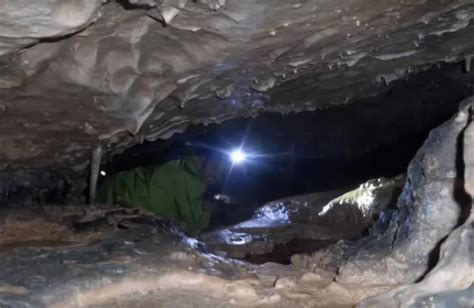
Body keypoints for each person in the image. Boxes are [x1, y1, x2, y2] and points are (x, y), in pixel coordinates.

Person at [96, 151, 228, 234]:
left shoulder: (184, 166)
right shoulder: (187, 177)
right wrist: (208, 211)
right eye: (215, 166)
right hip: (118, 196)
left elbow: (180, 200)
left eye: (222, 173)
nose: (216, 175)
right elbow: (193, 226)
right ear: (206, 159)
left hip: (115, 187)